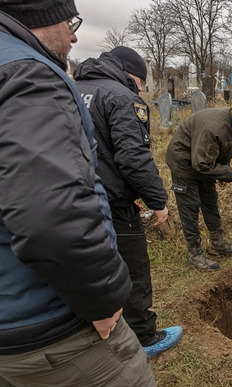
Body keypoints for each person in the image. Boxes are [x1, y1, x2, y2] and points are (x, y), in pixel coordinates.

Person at [0, 1, 154, 385]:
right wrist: (101, 301)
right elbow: (51, 218)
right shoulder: (29, 77)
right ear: (38, 16)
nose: (74, 34)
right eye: (69, 21)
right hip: (51, 323)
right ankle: (146, 330)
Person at [74, 46, 182, 358]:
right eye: (140, 83)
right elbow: (133, 157)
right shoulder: (122, 97)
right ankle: (145, 337)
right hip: (112, 203)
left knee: (90, 266)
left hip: (74, 199)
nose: (140, 89)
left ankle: (94, 330)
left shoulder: (71, 87)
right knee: (133, 269)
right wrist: (158, 201)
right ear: (132, 76)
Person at [166, 93, 232, 271]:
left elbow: (222, 152)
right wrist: (230, 173)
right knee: (190, 208)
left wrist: (222, 173)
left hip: (203, 163)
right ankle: (195, 254)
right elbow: (200, 164)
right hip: (184, 163)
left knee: (210, 202)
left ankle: (217, 243)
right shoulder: (214, 127)